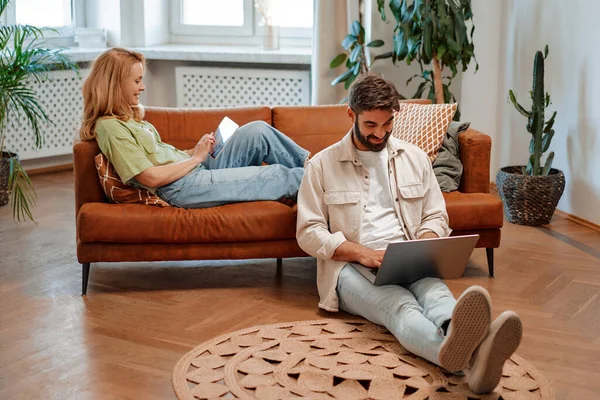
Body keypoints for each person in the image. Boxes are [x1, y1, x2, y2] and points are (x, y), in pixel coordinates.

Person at [296, 72, 523, 394]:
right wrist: (363, 253)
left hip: (407, 254)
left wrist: (427, 243)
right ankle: (473, 360)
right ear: (352, 115)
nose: (380, 133)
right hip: (349, 266)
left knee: (437, 294)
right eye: (371, 125)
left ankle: (456, 336)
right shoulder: (321, 165)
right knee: (400, 307)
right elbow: (308, 232)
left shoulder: (414, 158)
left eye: (387, 124)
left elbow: (435, 214)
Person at [79, 48, 309, 208]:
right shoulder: (110, 128)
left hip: (192, 171)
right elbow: (149, 177)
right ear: (115, 84)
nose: (143, 87)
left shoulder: (129, 118)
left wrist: (195, 151)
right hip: (181, 188)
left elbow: (161, 157)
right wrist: (196, 159)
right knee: (278, 176)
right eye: (137, 81)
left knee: (258, 131)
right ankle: (328, 179)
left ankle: (317, 165)